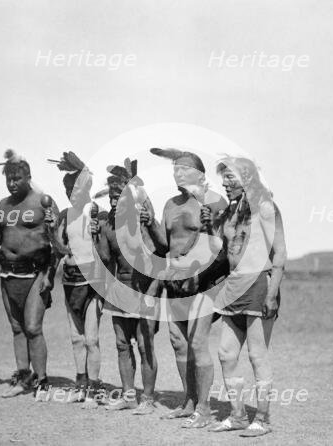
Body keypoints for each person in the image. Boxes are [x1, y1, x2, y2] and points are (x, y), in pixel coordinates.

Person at [141, 148, 228, 428]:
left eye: (184, 169)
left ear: (200, 175)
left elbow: (221, 245)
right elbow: (166, 246)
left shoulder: (214, 202)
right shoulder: (169, 204)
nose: (177, 173)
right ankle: (189, 401)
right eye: (175, 169)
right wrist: (150, 224)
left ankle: (203, 409)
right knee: (179, 343)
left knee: (198, 343)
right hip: (175, 279)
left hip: (203, 282)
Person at [206, 157, 286, 437]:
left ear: (248, 178)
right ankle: (238, 415)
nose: (226, 183)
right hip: (234, 287)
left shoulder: (265, 207)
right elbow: (223, 253)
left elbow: (280, 254)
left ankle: (262, 419)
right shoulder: (231, 212)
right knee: (226, 353)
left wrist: (272, 294)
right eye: (224, 178)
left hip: (259, 287)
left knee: (256, 355)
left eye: (231, 177)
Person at [0, 149, 59, 398]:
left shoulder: (42, 201)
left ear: (28, 177)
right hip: (7, 275)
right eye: (9, 180)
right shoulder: (3, 205)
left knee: (33, 328)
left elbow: (56, 243)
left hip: (35, 273)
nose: (12, 184)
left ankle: (43, 381)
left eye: (17, 179)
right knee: (17, 329)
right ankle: (24, 377)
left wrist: (49, 276)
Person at [98, 158, 161, 415]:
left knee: (145, 346)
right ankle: (128, 395)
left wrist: (151, 296)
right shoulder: (108, 226)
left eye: (118, 196)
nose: (113, 200)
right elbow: (104, 260)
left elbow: (160, 263)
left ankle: (147, 398)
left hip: (144, 291)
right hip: (119, 291)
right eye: (111, 196)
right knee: (122, 344)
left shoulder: (142, 222)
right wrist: (95, 234)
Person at [45, 151, 106, 409]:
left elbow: (106, 250)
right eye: (68, 188)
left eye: (76, 187)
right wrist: (51, 230)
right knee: (76, 339)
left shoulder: (96, 212)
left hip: (92, 282)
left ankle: (94, 387)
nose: (72, 192)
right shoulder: (64, 216)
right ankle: (80, 384)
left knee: (91, 339)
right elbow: (59, 250)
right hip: (69, 281)